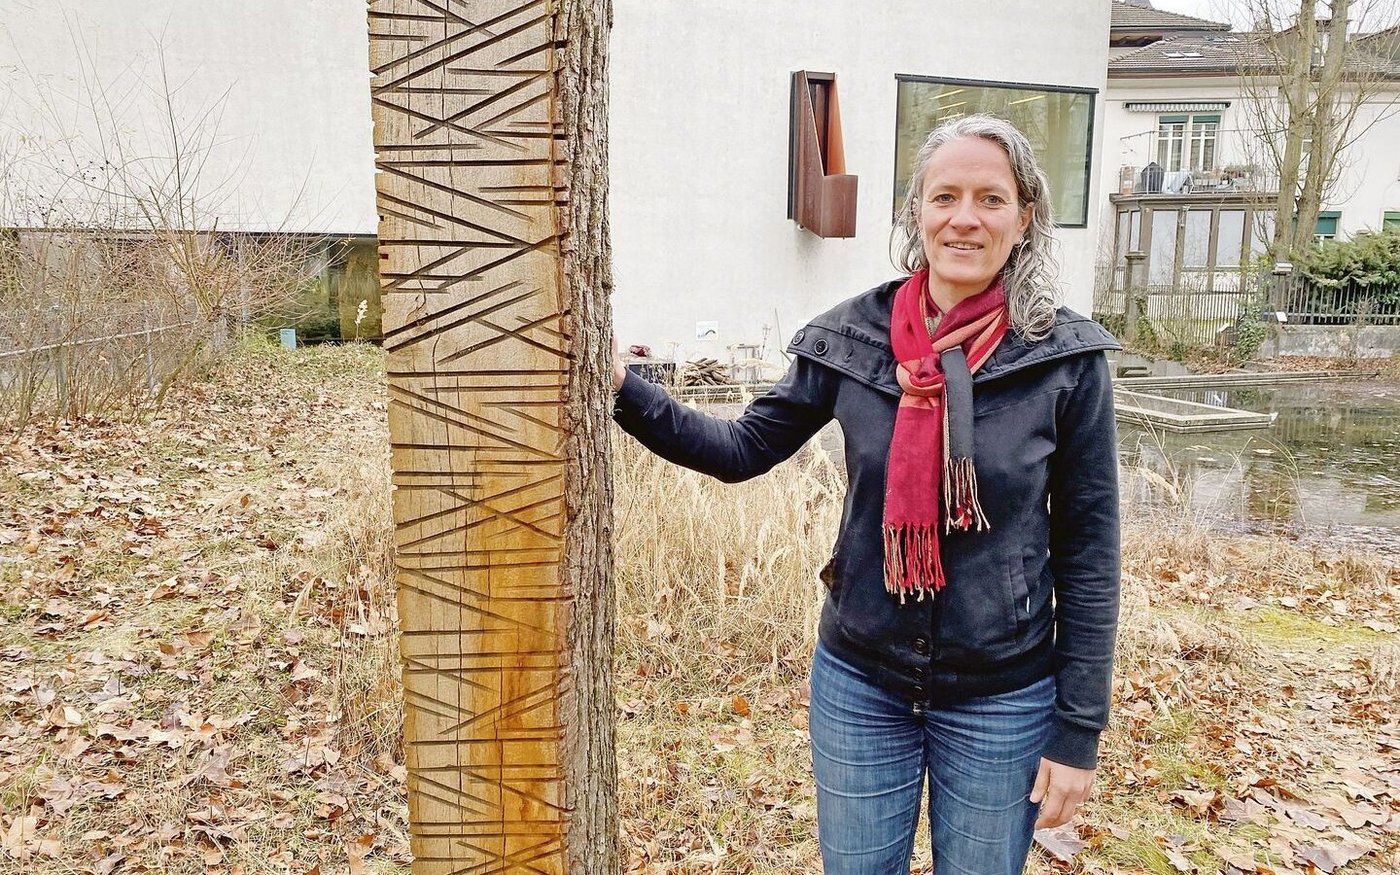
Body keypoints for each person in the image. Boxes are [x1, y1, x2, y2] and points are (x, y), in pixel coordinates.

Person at [610, 114, 1121, 875]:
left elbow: (1088, 550)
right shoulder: (851, 340)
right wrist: (624, 389)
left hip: (1003, 695)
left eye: (990, 198)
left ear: (1024, 219)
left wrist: (1078, 728)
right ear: (917, 211)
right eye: (945, 195)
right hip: (861, 684)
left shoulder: (1065, 360)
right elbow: (742, 449)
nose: (965, 217)